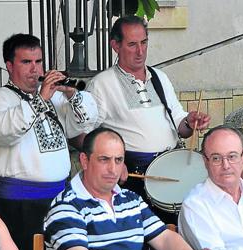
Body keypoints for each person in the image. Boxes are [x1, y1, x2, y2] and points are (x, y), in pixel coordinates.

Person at [0, 33, 98, 250]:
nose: (35, 69)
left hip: (59, 200)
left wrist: (73, 95)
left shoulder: (55, 99)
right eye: (26, 62)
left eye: (38, 62)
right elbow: (2, 130)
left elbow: (87, 122)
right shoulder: (0, 99)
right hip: (19, 206)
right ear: (9, 65)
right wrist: (40, 100)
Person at [86, 16, 210, 223]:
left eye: (144, 43)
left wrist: (189, 121)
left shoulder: (159, 77)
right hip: (135, 174)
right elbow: (86, 135)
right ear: (115, 46)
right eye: (132, 44)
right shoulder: (101, 84)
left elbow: (180, 125)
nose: (140, 51)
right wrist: (113, 163)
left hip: (171, 168)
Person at [44, 128, 207, 250]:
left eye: (118, 160)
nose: (113, 169)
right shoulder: (66, 205)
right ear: (84, 161)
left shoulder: (131, 199)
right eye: (104, 159)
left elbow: (164, 238)